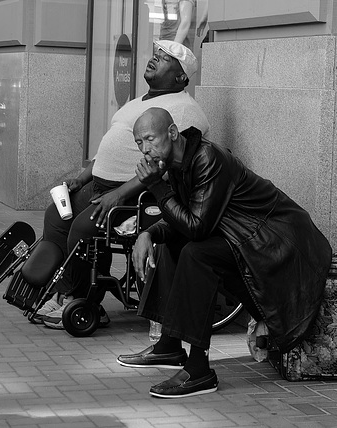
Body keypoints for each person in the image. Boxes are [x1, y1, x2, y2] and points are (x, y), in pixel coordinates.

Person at [116, 107, 332, 398]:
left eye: (150, 139)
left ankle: (198, 370)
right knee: (173, 245)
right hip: (242, 237)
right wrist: (148, 233)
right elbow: (184, 217)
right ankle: (169, 346)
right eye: (139, 143)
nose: (145, 149)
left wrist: (155, 185)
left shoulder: (207, 158)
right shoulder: (178, 163)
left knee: (196, 253)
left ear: (172, 132)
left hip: (275, 241)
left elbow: (196, 227)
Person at [36, 41, 209, 330]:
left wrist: (118, 194)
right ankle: (62, 290)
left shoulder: (184, 110)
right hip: (101, 185)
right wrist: (84, 176)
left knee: (83, 229)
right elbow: (113, 144)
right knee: (56, 215)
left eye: (164, 59)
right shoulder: (139, 101)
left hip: (137, 196)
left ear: (181, 77)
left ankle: (85, 301)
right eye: (155, 55)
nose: (154, 60)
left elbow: (164, 168)